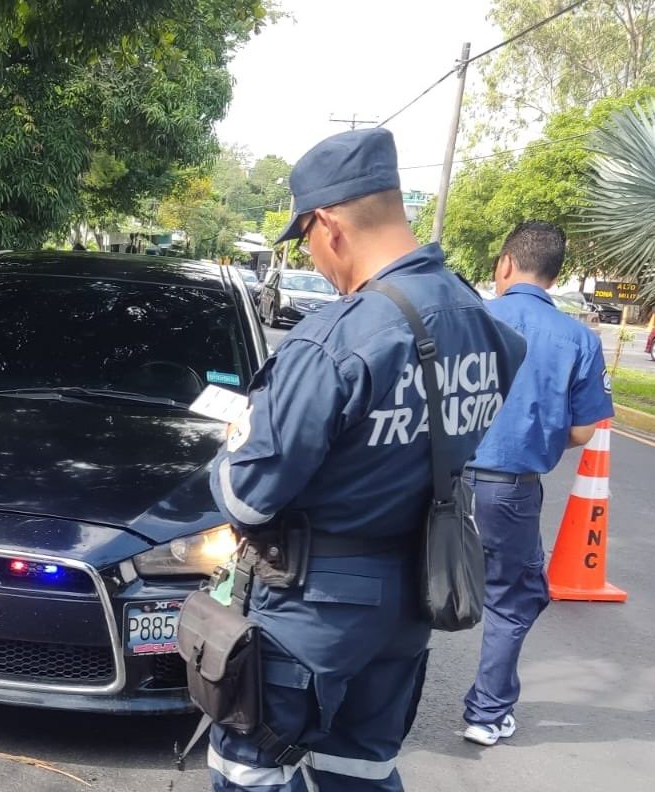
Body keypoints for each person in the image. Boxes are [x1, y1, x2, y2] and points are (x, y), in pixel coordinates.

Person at [207, 128, 527, 792]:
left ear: (327, 225)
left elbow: (247, 495)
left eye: (306, 242)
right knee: (360, 770)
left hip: (314, 606)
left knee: (247, 771)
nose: (315, 259)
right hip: (412, 599)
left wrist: (230, 439)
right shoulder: (484, 324)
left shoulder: (337, 340)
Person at [461, 221, 614, 747]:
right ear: (557, 273)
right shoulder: (578, 338)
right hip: (510, 491)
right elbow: (581, 430)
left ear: (504, 264)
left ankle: (376, 709)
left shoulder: (467, 318)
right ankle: (486, 713)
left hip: (434, 483)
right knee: (512, 595)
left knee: (410, 583)